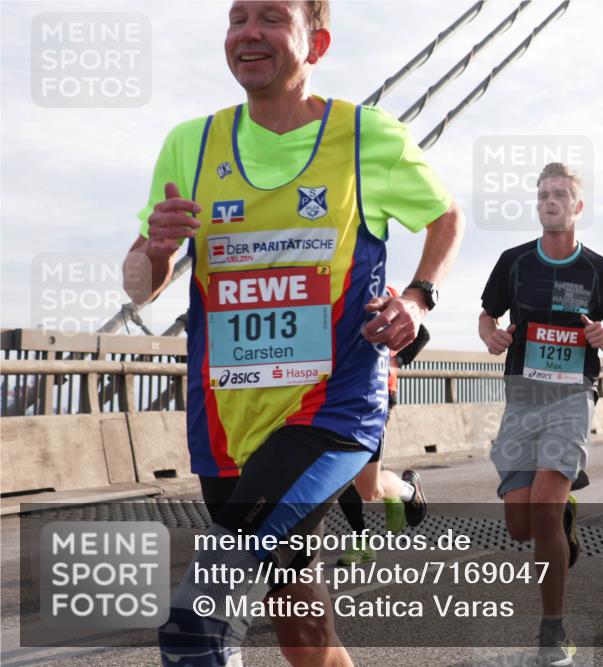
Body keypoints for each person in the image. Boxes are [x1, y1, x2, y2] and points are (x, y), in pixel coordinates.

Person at [121, 2, 464, 665]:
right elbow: (140, 285)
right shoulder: (190, 143)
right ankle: (396, 494)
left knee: (197, 622)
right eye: (237, 17)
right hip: (225, 421)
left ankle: (386, 487)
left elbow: (445, 214)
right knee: (303, 635)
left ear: (317, 42)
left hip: (328, 411)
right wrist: (156, 251)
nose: (249, 31)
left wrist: (420, 298)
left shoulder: (367, 137)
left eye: (272, 17)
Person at [478, 162, 603, 666]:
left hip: (572, 395)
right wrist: (491, 335)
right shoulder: (514, 262)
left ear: (577, 206)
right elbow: (488, 314)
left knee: (543, 506)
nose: (550, 201)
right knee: (522, 526)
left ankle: (552, 632)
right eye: (543, 194)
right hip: (523, 395)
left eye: (560, 194)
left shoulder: (598, 271)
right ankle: (563, 522)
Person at [336, 297, 431, 566]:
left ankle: (407, 491)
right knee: (340, 472)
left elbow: (421, 333)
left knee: (367, 488)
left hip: (375, 396)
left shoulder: (379, 293)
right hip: (333, 396)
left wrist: (395, 360)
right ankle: (362, 540)